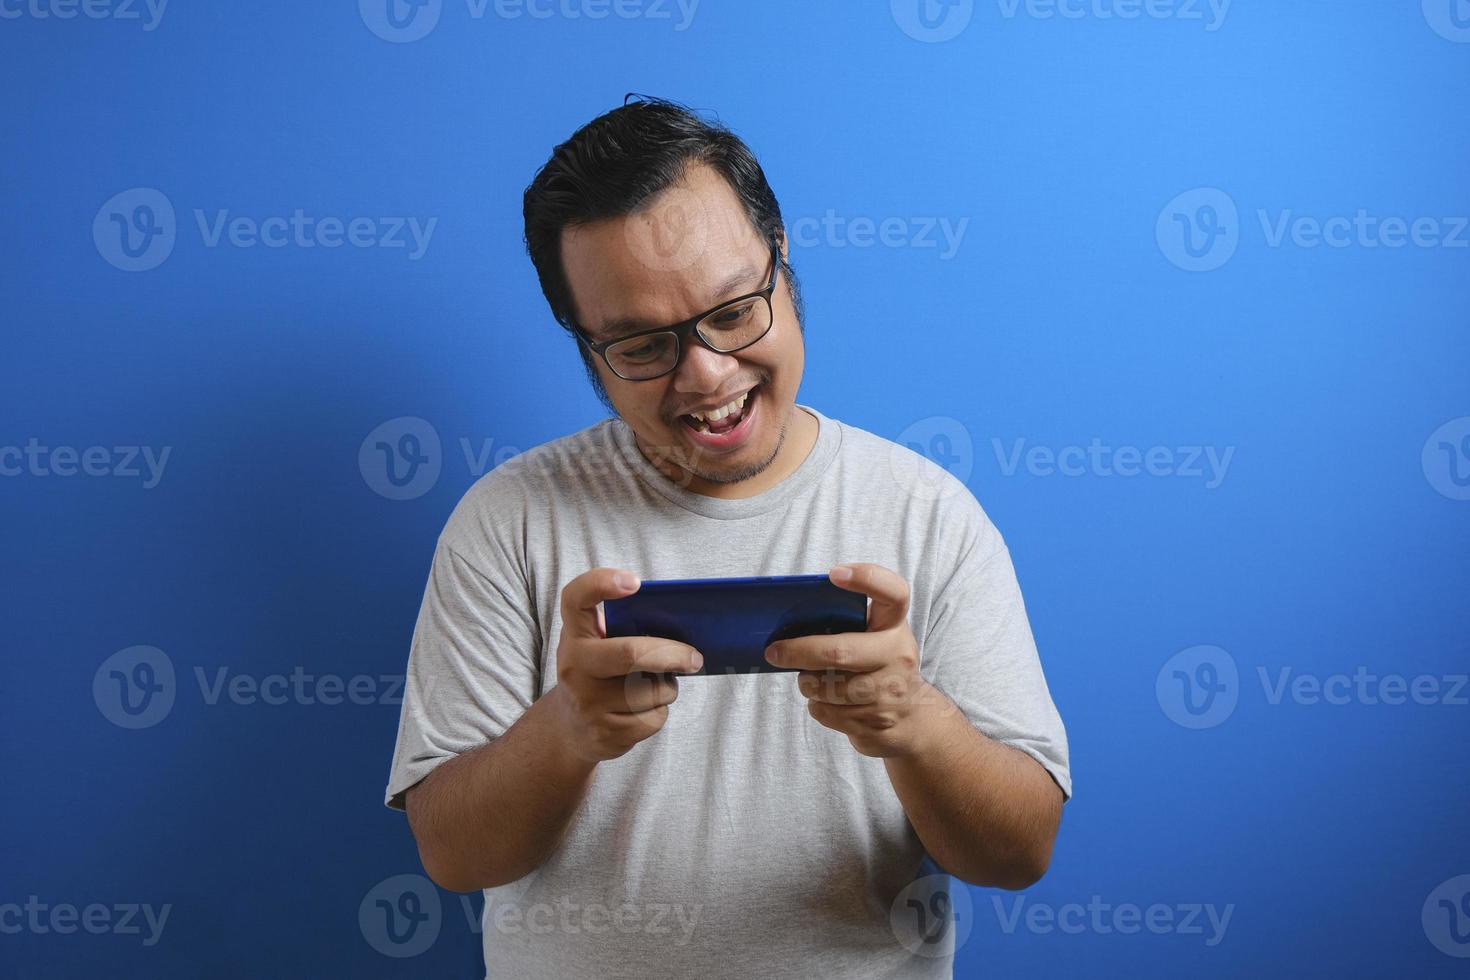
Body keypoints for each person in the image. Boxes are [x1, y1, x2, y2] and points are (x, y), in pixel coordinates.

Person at [385, 95, 1071, 979]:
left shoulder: (928, 513)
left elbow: (1019, 855)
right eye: (639, 344)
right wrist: (569, 729)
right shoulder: (506, 522)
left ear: (785, 269)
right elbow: (453, 857)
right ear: (586, 347)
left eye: (734, 309)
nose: (706, 373)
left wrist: (914, 722)